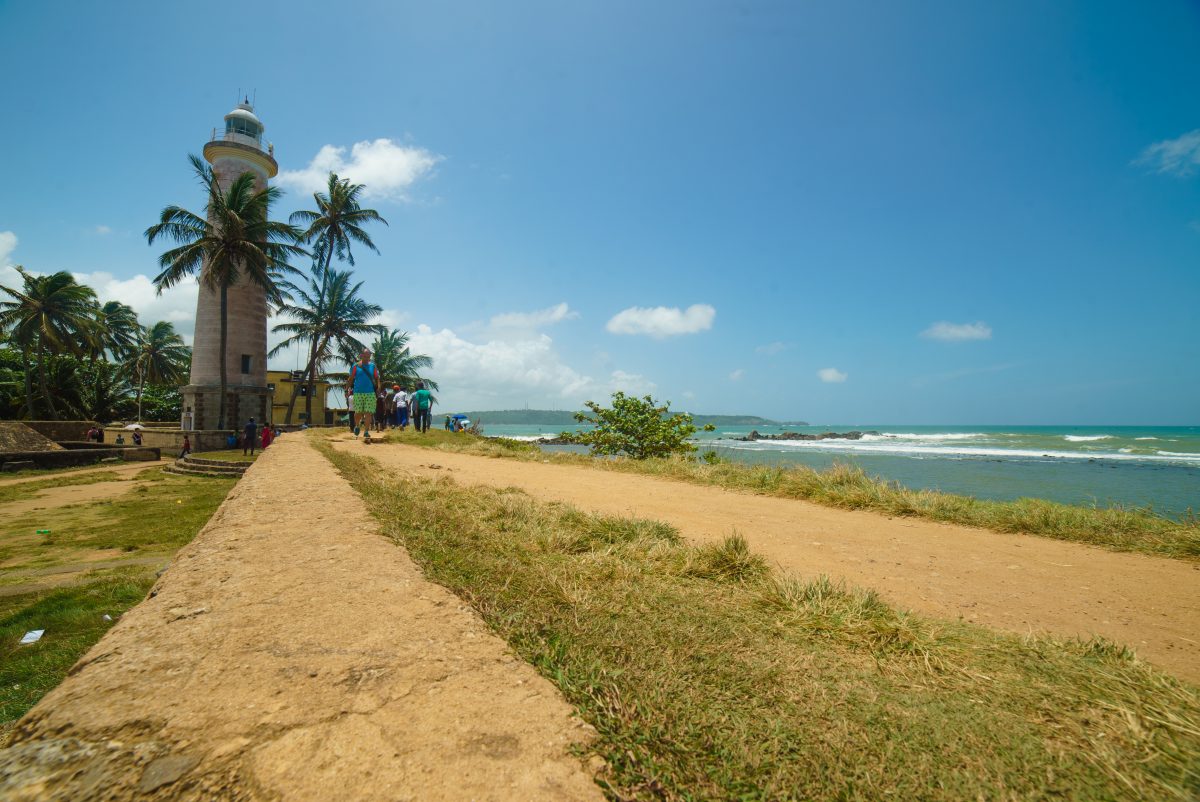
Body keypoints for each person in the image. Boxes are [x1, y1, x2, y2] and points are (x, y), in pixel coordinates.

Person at [346, 348, 381, 439]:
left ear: (370, 357)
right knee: (358, 412)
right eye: (364, 356)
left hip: (370, 393)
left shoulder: (372, 366)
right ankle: (357, 426)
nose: (366, 358)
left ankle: (366, 431)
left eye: (368, 356)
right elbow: (350, 378)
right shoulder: (355, 366)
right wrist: (346, 389)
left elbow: (377, 378)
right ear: (361, 356)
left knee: (368, 412)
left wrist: (379, 387)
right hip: (358, 393)